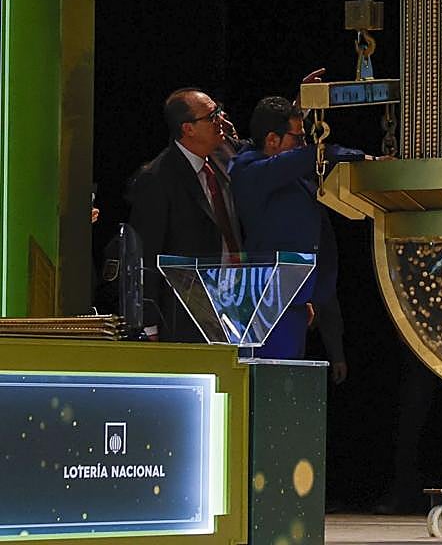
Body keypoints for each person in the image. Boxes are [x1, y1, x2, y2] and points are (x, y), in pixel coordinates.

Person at [230, 95, 363, 374]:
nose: (303, 144)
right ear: (272, 140)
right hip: (264, 308)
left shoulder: (291, 175)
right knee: (267, 386)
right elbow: (308, 156)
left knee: (287, 387)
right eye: (297, 138)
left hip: (295, 306)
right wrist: (364, 158)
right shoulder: (249, 171)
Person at [128, 88, 242, 341]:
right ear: (188, 128)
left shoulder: (223, 159)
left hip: (231, 304)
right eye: (212, 116)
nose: (221, 121)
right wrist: (148, 325)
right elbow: (146, 255)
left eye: (220, 112)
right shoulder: (157, 178)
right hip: (184, 316)